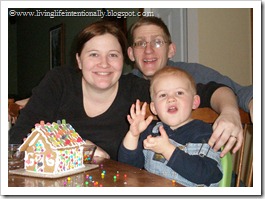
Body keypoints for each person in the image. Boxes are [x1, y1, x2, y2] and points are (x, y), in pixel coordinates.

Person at [9, 20, 239, 160]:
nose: (104, 64)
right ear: (79, 60)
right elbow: (16, 141)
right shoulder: (58, 81)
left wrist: (229, 111)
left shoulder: (138, 90)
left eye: (113, 55)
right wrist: (79, 149)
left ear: (124, 59)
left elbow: (210, 91)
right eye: (93, 55)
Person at [127, 16, 252, 156]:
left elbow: (240, 91)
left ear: (171, 50)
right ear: (131, 54)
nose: (148, 50)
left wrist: (230, 112)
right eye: (140, 43)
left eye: (157, 42)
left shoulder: (190, 74)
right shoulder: (125, 85)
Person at [118, 67, 222, 187]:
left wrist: (168, 150)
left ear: (194, 102)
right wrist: (133, 135)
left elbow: (208, 175)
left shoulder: (205, 133)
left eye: (179, 93)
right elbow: (128, 167)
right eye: (163, 95)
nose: (171, 99)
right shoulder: (151, 132)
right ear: (154, 108)